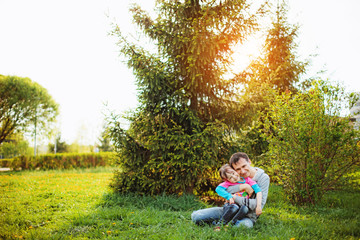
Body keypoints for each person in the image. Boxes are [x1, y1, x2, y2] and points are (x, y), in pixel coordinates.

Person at [191, 152, 270, 228]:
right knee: (196, 216)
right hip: (231, 209)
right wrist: (243, 187)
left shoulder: (263, 178)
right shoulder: (236, 177)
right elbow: (224, 189)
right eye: (238, 169)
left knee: (242, 226)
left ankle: (224, 224)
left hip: (248, 215)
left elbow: (256, 204)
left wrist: (235, 198)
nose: (242, 171)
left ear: (249, 161)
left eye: (244, 166)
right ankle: (224, 221)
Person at [214, 164, 262, 228]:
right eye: (230, 177)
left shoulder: (247, 180)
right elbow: (218, 189)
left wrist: (258, 206)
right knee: (234, 207)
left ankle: (229, 225)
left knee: (245, 209)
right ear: (226, 180)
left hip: (241, 206)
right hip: (231, 206)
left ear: (235, 170)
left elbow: (258, 190)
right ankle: (219, 225)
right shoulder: (228, 183)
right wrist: (229, 197)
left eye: (233, 173)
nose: (234, 177)